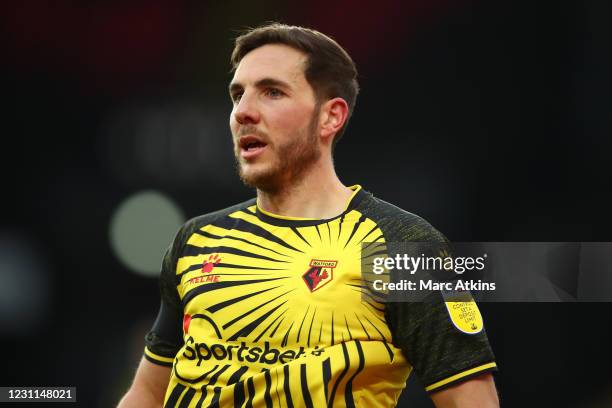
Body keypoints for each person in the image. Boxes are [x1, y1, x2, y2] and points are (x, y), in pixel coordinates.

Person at [118, 23, 499, 408]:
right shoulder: (195, 241)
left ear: (330, 117)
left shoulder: (402, 244)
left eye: (272, 92)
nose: (243, 112)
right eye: (237, 95)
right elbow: (148, 394)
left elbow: (472, 401)